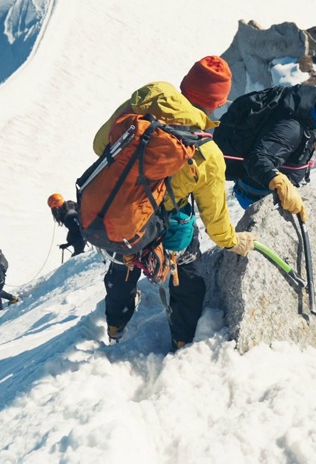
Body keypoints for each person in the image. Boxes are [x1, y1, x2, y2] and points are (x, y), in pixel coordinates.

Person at [90, 56, 256, 349]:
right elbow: (216, 223)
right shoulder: (207, 153)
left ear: (185, 84)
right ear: (218, 103)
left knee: (121, 268)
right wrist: (234, 241)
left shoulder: (149, 98)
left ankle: (116, 327)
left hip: (115, 211)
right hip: (161, 228)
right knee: (189, 281)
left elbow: (99, 143)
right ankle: (182, 340)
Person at [219, 78, 316, 216]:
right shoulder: (292, 127)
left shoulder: (304, 103)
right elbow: (257, 159)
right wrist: (278, 182)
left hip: (258, 187)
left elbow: (277, 133)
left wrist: (311, 138)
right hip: (260, 195)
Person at [48, 193, 85, 257]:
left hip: (83, 235)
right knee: (70, 238)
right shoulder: (70, 206)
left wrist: (70, 244)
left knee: (72, 239)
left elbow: (78, 234)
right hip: (86, 230)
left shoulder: (69, 217)